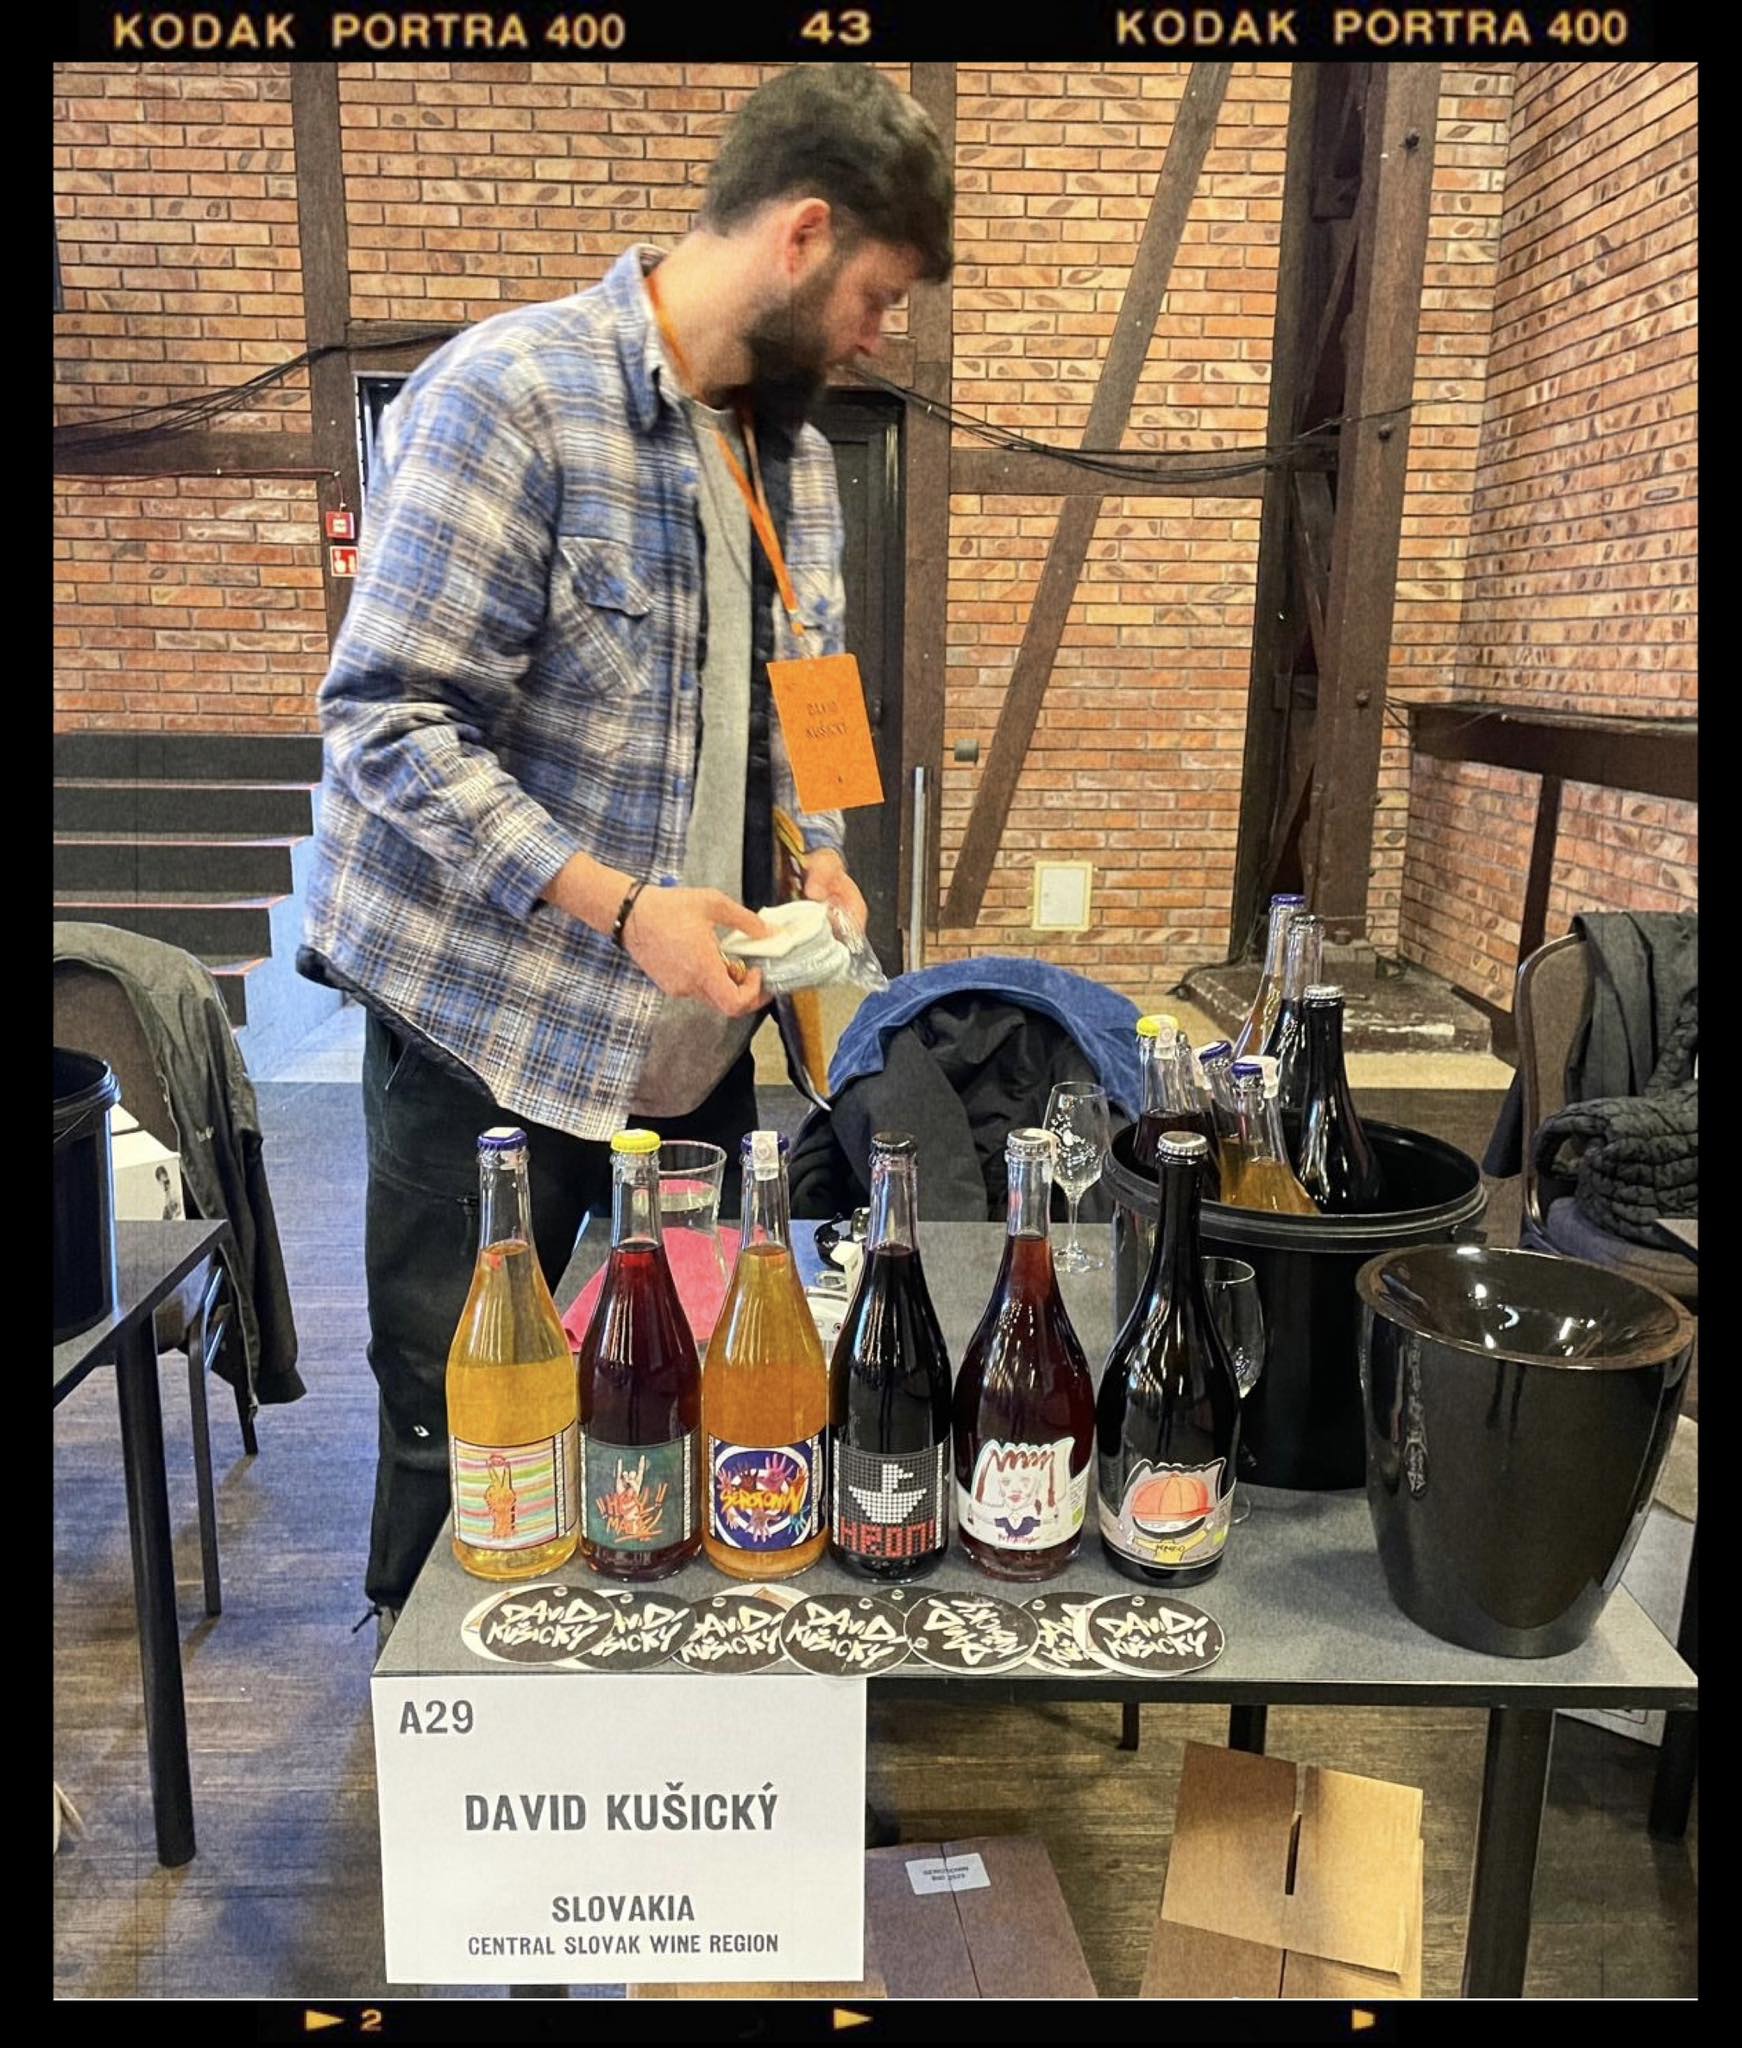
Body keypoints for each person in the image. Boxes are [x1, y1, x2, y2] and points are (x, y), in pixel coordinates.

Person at [298, 64, 955, 1636]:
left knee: (671, 1393)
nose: (879, 337)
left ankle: (637, 1682)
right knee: (469, 1422)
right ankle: (435, 1701)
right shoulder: (511, 395)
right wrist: (617, 906)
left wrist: (825, 852)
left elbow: (812, 687)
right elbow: (385, 721)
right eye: (876, 297)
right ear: (800, 235)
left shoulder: (791, 455)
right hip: (493, 1037)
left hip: (691, 1043)